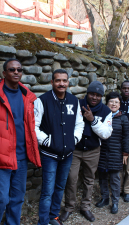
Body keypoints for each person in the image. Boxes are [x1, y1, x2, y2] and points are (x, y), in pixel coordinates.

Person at [0, 59, 42, 225]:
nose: (16, 72)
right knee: (1, 199)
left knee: (17, 198)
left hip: (21, 157)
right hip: (0, 157)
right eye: (12, 69)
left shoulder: (27, 97)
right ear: (4, 73)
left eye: (19, 69)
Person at [35, 69, 85, 225]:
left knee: (60, 187)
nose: (61, 83)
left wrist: (74, 139)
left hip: (67, 154)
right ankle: (43, 221)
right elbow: (34, 126)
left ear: (68, 82)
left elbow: (79, 123)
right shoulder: (42, 100)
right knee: (47, 191)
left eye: (64, 80)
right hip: (49, 154)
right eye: (58, 80)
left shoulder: (73, 101)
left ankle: (53, 216)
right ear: (52, 82)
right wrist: (46, 141)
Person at [61, 81, 113, 222]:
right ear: (87, 93)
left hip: (93, 150)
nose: (94, 97)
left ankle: (85, 207)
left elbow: (106, 133)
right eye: (92, 94)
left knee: (89, 179)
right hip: (75, 150)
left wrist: (93, 120)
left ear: (101, 97)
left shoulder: (106, 111)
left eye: (98, 95)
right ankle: (69, 207)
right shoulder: (76, 105)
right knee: (71, 178)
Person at [95, 92, 129, 214]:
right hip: (101, 151)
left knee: (115, 178)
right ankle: (105, 198)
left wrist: (125, 153)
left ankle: (115, 202)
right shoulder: (102, 115)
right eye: (111, 101)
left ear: (120, 104)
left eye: (116, 102)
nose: (113, 104)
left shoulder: (123, 118)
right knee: (102, 177)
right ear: (107, 103)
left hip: (116, 152)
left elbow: (126, 137)